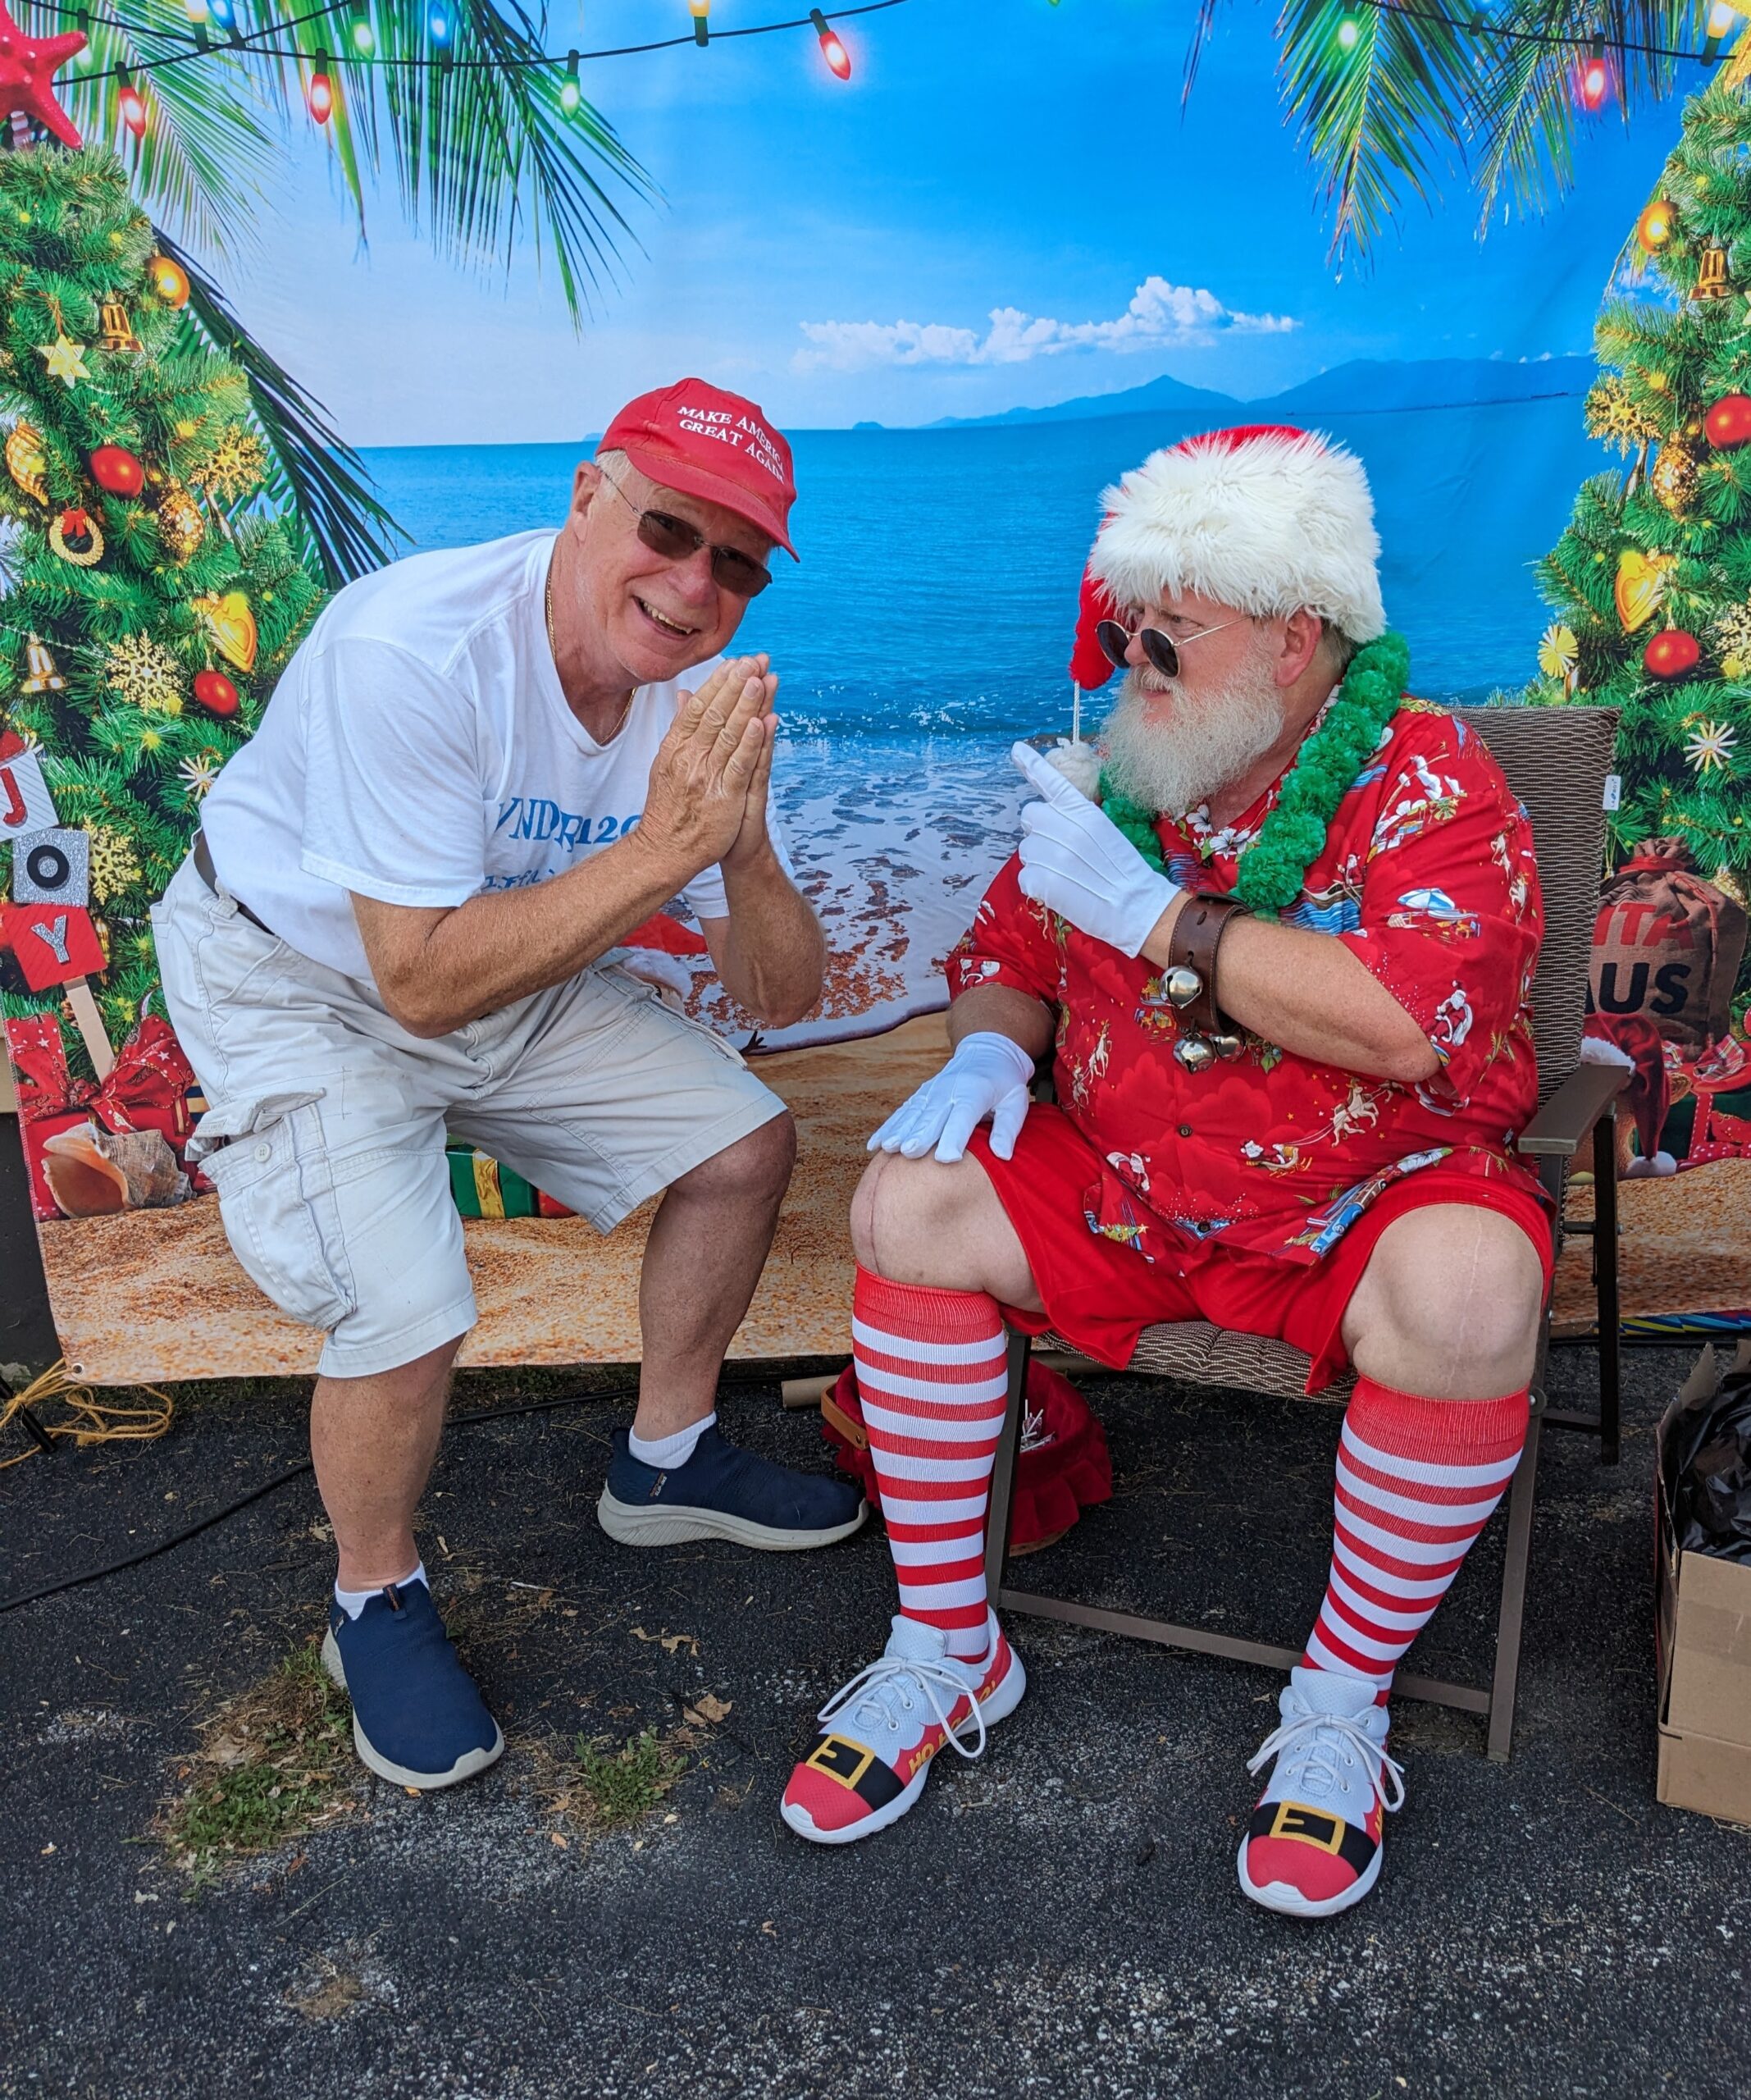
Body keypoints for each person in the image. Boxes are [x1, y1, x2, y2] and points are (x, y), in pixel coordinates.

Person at [780, 424, 1548, 1920]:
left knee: (1472, 1294)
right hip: (1126, 1179)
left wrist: (1156, 920)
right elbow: (1006, 952)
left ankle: (1340, 1702)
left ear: (1293, 637)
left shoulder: (1433, 787)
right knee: (907, 1199)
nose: (1126, 658)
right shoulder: (1125, 770)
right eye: (1123, 623)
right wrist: (987, 1052)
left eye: (1164, 632)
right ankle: (949, 1649)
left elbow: (1408, 1024)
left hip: (1360, 1194)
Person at [153, 380, 862, 1793]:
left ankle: (666, 1459)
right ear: (590, 495)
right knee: (405, 1305)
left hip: (497, 959)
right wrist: (662, 852)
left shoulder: (690, 704)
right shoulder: (414, 650)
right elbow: (416, 981)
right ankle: (373, 1598)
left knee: (741, 1147)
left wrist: (740, 845)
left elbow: (782, 995)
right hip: (297, 977)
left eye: (737, 563)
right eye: (669, 530)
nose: (695, 584)